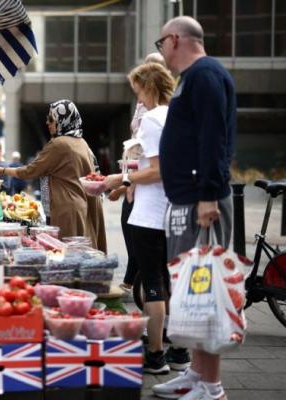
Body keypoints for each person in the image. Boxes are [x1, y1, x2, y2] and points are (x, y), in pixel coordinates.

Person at [151, 16, 236, 400]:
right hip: (188, 198)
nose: (160, 52)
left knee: (204, 292)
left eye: (160, 43)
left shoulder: (204, 75)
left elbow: (214, 137)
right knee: (190, 290)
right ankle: (197, 375)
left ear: (173, 40)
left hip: (200, 199)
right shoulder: (197, 76)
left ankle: (211, 385)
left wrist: (206, 195)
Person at [104, 62, 175, 375]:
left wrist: (118, 181)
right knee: (166, 280)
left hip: (149, 213)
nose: (138, 98)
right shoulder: (175, 115)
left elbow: (158, 170)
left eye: (138, 90)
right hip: (171, 211)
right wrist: (123, 181)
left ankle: (156, 354)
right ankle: (177, 349)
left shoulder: (150, 119)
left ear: (147, 86)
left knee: (153, 285)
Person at [0, 100, 107, 251]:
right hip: (79, 206)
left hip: (65, 209)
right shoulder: (81, 142)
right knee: (76, 255)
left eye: (51, 119)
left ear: (62, 121)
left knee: (63, 256)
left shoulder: (59, 144)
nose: (47, 123)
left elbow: (30, 171)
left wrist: (2, 170)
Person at [109, 52, 167, 295]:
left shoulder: (153, 117)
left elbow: (154, 167)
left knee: (150, 260)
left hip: (150, 197)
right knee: (156, 266)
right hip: (148, 192)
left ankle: (138, 283)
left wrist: (122, 181)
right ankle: (139, 283)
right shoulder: (149, 110)